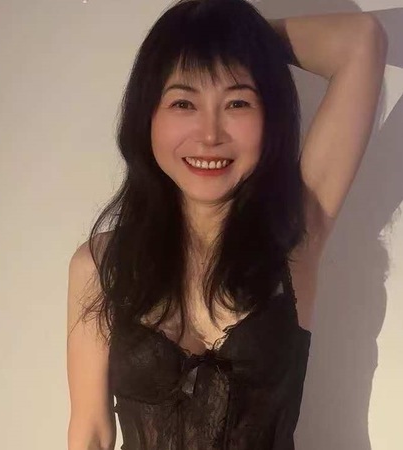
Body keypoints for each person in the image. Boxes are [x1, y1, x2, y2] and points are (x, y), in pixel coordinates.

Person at [66, 1, 388, 449]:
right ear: (147, 116)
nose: (210, 134)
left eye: (237, 102)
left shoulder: (294, 233)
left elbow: (362, 40)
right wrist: (196, 40)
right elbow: (91, 432)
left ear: (269, 116)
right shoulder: (102, 264)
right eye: (183, 103)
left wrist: (236, 36)